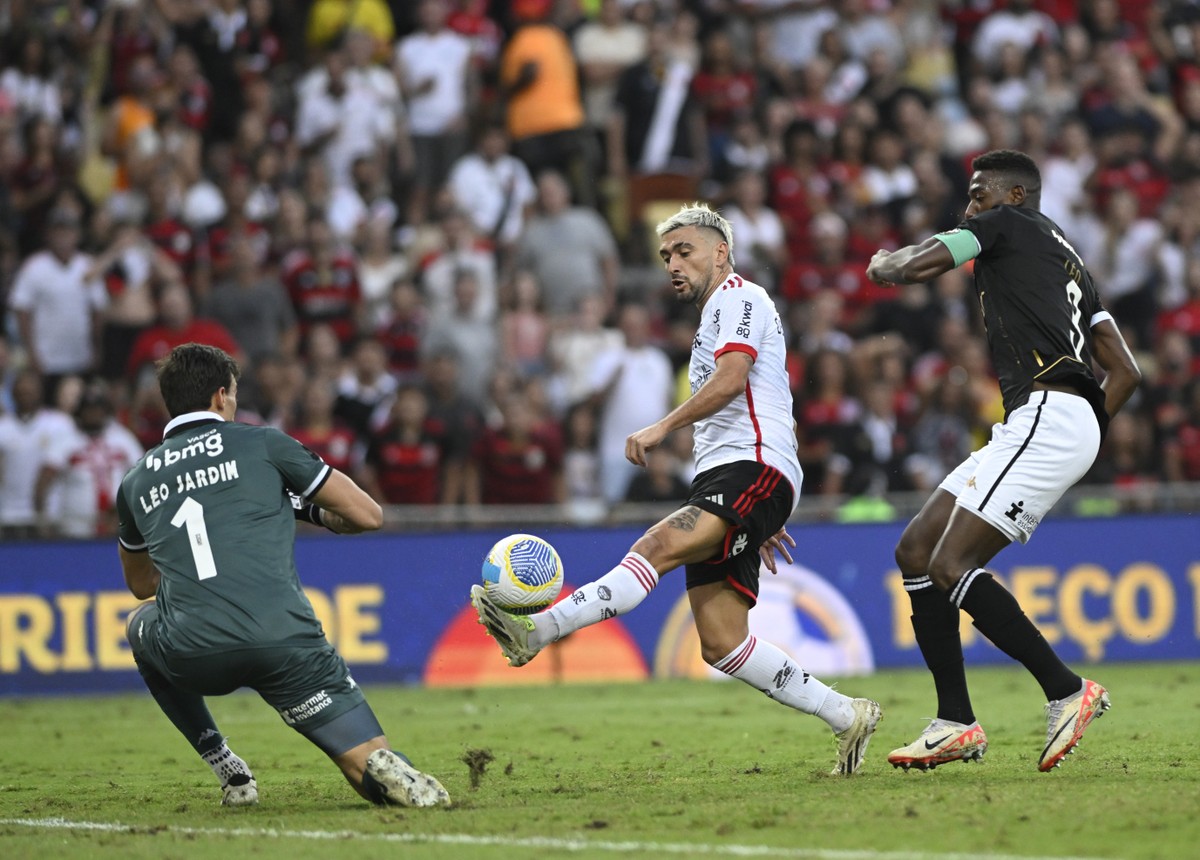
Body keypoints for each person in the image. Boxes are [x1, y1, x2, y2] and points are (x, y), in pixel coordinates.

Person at [471, 203, 882, 775]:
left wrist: (664, 427)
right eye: (666, 255)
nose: (673, 263)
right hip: (742, 479)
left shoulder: (740, 296)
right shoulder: (715, 314)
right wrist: (756, 515)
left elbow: (734, 379)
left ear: (720, 251)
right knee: (721, 642)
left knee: (654, 548)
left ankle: (537, 629)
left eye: (684, 250)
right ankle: (846, 714)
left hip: (751, 468)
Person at [864, 149, 1142, 772]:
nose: (970, 207)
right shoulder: (1070, 261)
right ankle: (954, 721)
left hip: (1047, 411)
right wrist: (1087, 438)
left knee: (951, 562)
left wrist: (885, 265)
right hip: (1049, 419)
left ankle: (1066, 690)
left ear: (1015, 196)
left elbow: (919, 266)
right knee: (916, 551)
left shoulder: (1004, 226)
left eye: (978, 193)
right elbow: (1125, 370)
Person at [116, 343, 450, 808]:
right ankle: (385, 769)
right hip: (284, 641)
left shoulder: (135, 480)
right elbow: (367, 516)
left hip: (193, 650)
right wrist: (297, 506)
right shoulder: (262, 443)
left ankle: (221, 760)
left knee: (138, 624)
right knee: (367, 762)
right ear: (219, 397)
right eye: (232, 393)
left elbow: (140, 585)